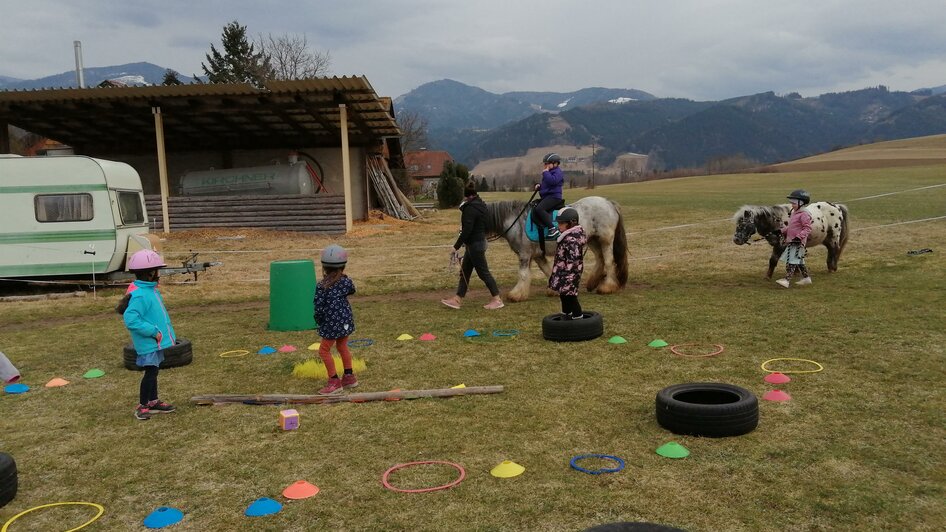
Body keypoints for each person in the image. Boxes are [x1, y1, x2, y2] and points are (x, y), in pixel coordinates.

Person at [121, 249, 177, 420]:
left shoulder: (150, 291)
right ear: (150, 273)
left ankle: (153, 401)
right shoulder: (140, 295)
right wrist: (152, 331)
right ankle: (142, 405)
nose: (159, 274)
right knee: (150, 372)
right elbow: (131, 319)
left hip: (155, 342)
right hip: (149, 342)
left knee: (154, 370)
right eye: (157, 271)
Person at [441, 182, 504, 310]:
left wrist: (456, 246)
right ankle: (458, 299)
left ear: (466, 196)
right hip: (475, 243)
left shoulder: (470, 209)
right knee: (465, 272)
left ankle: (497, 299)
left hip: (475, 245)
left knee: (483, 273)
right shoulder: (481, 205)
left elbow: (467, 230)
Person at [314, 244, 358, 395]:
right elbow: (352, 289)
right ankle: (349, 377)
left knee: (324, 350)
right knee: (342, 346)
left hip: (331, 324)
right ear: (343, 267)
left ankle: (334, 382)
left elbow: (318, 307)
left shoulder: (322, 286)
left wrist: (319, 321)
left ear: (324, 267)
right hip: (345, 321)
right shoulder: (345, 282)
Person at [548, 207, 587, 318]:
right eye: (558, 223)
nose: (558, 226)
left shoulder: (572, 240)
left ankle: (578, 316)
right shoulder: (567, 237)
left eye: (561, 223)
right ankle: (566, 313)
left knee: (570, 296)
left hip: (570, 273)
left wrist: (567, 275)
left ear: (571, 223)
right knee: (563, 294)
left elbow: (573, 260)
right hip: (563, 271)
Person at [776, 189, 813, 288]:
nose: (792, 205)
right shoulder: (795, 213)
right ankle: (806, 278)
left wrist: (798, 237)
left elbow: (808, 228)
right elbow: (792, 226)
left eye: (794, 203)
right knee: (799, 261)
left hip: (797, 242)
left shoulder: (804, 215)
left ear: (801, 203)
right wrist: (782, 231)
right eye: (791, 203)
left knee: (792, 261)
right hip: (792, 240)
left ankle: (786, 280)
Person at [533, 153, 565, 239]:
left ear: (555, 163)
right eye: (545, 164)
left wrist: (546, 173)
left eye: (547, 163)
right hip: (548, 196)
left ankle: (552, 229)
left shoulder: (558, 172)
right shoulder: (550, 172)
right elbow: (548, 185)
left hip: (554, 197)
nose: (545, 165)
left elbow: (553, 181)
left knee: (540, 208)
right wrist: (539, 186)